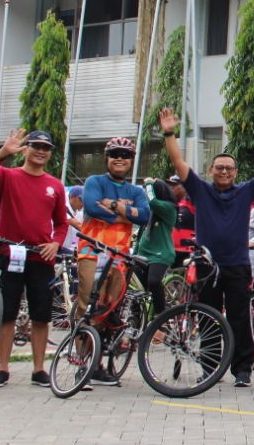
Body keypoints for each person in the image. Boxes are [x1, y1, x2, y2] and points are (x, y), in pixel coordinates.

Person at [159, 106, 254, 387]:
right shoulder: (200, 189)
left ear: (235, 172)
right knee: (207, 317)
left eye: (228, 168)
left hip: (237, 265)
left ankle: (242, 369)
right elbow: (178, 161)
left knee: (239, 318)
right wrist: (169, 133)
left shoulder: (245, 191)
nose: (223, 171)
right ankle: (210, 368)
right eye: (219, 167)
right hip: (206, 266)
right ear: (211, 170)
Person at [0, 129, 69, 388]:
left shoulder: (55, 185)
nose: (41, 151)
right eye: (36, 146)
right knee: (7, 313)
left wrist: (55, 243)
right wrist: (3, 152)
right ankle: (3, 369)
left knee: (41, 316)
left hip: (42, 259)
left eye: (46, 148)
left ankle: (39, 369)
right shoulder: (8, 176)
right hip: (11, 254)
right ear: (25, 149)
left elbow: (61, 223)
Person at [75, 137, 150, 386]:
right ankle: (83, 364)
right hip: (92, 252)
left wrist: (113, 205)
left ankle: (99, 367)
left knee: (110, 311)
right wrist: (127, 214)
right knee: (89, 307)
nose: (120, 158)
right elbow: (92, 208)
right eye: (115, 154)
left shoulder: (136, 191)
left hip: (120, 259)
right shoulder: (94, 182)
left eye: (125, 155)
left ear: (131, 161)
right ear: (107, 158)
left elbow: (145, 216)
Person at [135, 178, 178, 314]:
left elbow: (152, 201)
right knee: (134, 287)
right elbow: (142, 231)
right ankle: (136, 319)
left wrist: (149, 183)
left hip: (161, 253)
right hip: (143, 252)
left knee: (153, 282)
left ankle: (161, 318)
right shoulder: (150, 210)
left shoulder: (168, 208)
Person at [169, 174, 196, 266]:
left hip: (188, 252)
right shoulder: (170, 203)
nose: (171, 188)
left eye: (175, 185)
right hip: (170, 251)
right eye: (170, 185)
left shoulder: (192, 202)